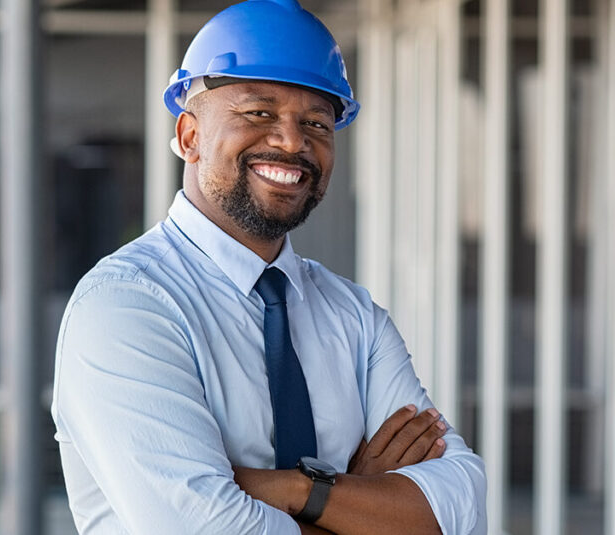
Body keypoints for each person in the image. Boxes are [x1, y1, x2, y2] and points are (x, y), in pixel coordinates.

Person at [51, 0, 487, 533]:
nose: (292, 141)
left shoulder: (355, 317)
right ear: (190, 137)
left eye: (316, 122)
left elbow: (461, 508)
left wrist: (299, 488)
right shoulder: (126, 306)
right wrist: (362, 495)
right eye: (259, 112)